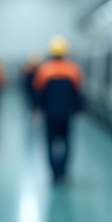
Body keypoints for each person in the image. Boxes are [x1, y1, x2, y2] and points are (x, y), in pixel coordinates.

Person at [33, 36, 83, 183]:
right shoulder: (73, 69)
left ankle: (54, 173)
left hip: (49, 114)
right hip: (67, 114)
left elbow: (38, 93)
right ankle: (63, 172)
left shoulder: (44, 69)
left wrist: (36, 109)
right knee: (66, 142)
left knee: (50, 143)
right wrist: (79, 109)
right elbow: (77, 93)